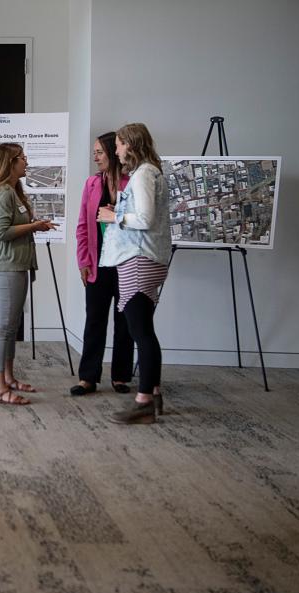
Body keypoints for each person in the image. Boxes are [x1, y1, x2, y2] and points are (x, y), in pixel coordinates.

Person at [98, 123, 172, 424]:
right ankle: (152, 394)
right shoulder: (152, 172)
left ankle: (143, 403)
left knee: (141, 331)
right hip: (146, 256)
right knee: (144, 329)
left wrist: (113, 215)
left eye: (118, 144)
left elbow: (144, 218)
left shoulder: (143, 175)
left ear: (131, 144)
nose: (116, 150)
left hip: (139, 257)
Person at [0, 143, 56, 406]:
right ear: (10, 162)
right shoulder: (3, 193)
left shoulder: (13, 191)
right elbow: (0, 232)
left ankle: (8, 378)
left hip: (17, 265)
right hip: (6, 267)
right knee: (3, 327)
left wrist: (32, 225)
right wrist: (35, 226)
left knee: (10, 327)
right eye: (22, 158)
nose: (27, 162)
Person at [71, 132, 134, 396]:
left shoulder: (132, 182)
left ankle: (120, 376)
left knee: (126, 321)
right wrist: (83, 260)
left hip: (126, 262)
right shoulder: (91, 184)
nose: (95, 157)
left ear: (112, 152)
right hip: (98, 263)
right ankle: (88, 377)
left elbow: (140, 221)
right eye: (94, 152)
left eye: (99, 152)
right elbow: (83, 226)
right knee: (94, 320)